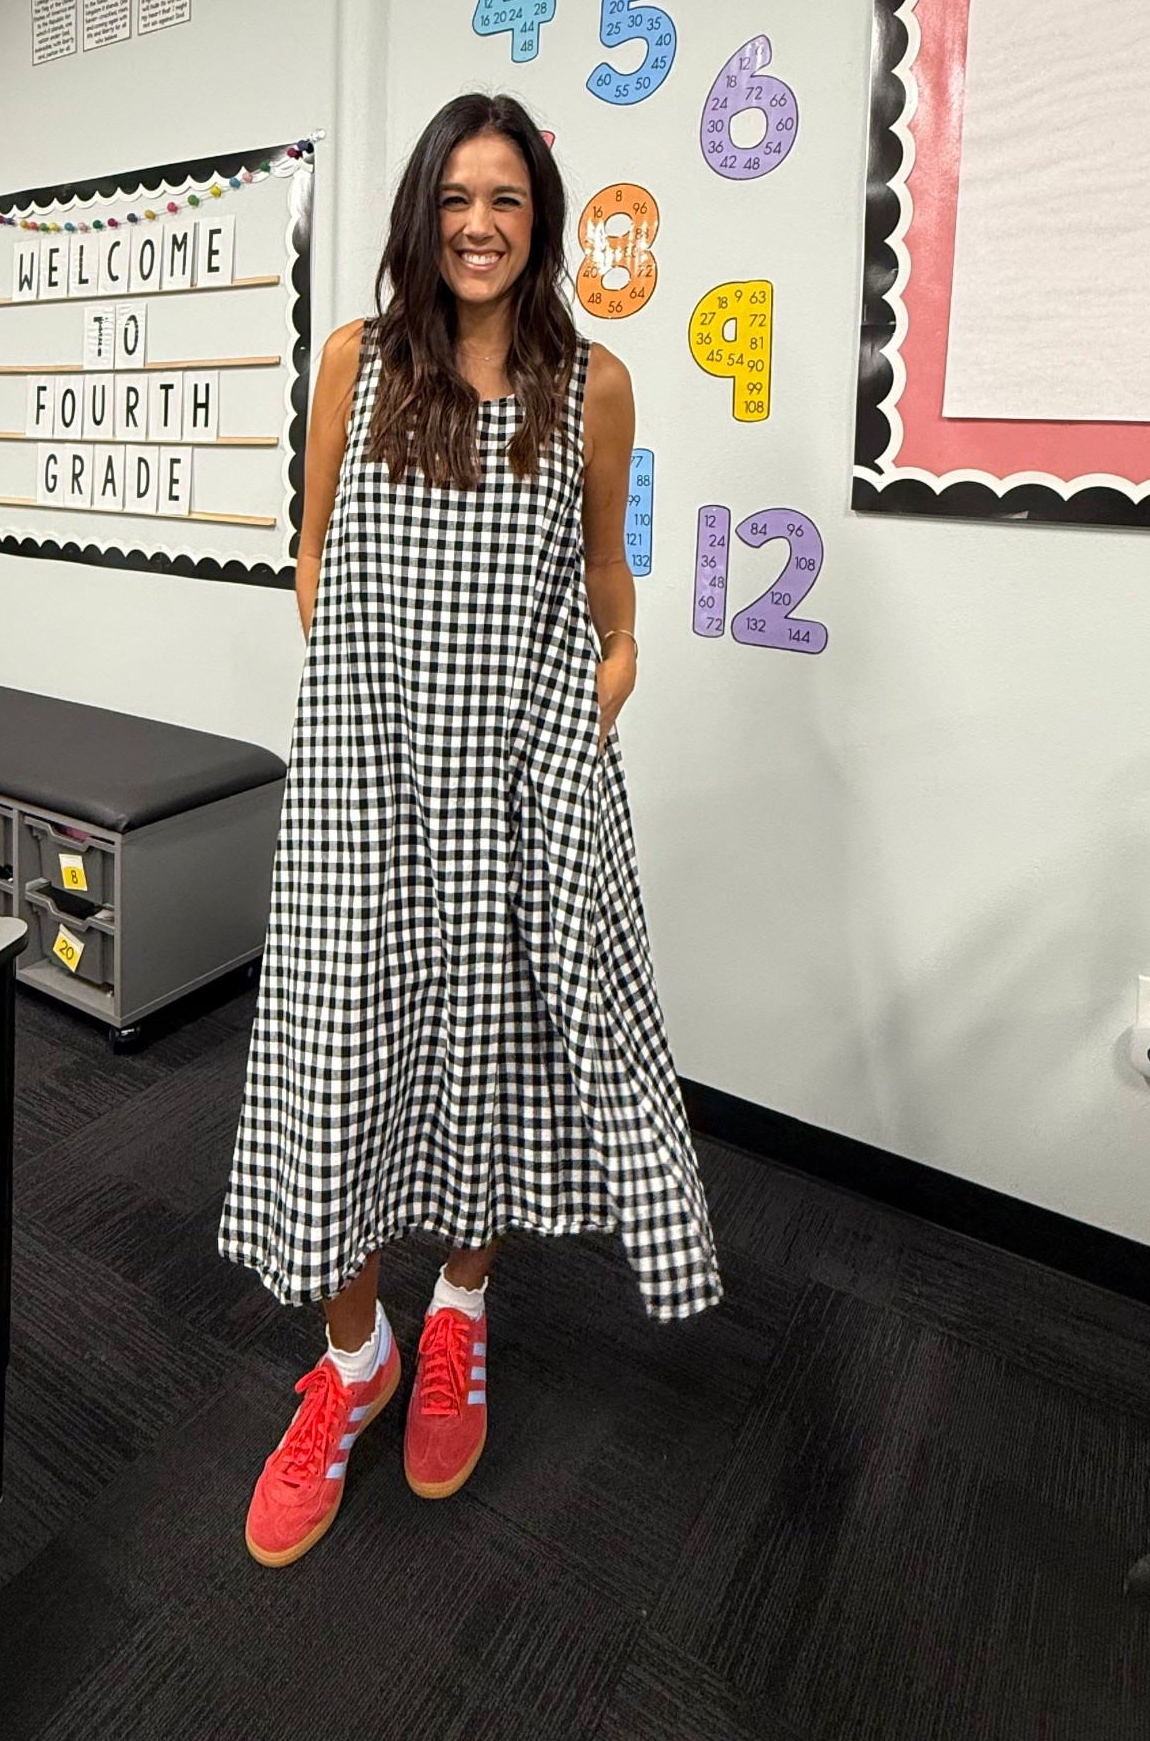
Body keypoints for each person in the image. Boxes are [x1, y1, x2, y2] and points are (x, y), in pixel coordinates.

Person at [218, 92, 722, 1569]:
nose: (479, 225)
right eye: (455, 198)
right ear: (420, 214)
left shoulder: (594, 387)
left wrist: (594, 701)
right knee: (338, 1060)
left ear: (538, 222)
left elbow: (612, 605)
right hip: (363, 780)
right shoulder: (356, 364)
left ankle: (459, 1311)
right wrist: (366, 703)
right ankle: (355, 1360)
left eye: (505, 199)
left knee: (485, 1051)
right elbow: (315, 556)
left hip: (524, 786)